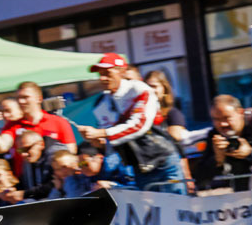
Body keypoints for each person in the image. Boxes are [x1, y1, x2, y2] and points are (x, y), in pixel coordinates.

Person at [77, 52, 187, 194]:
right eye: (100, 74)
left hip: (163, 161)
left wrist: (101, 133)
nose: (102, 78)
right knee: (151, 208)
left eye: (107, 73)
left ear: (122, 72)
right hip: (139, 167)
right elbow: (110, 141)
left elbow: (139, 125)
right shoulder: (101, 103)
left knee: (177, 204)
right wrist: (96, 141)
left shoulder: (139, 89)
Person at [145, 71, 189, 143]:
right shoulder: (141, 113)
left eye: (154, 86)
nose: (150, 90)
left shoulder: (173, 114)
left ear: (164, 89)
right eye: (147, 86)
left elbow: (174, 138)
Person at [12, 130, 57, 200]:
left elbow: (56, 184)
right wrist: (12, 190)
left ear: (41, 144)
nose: (23, 154)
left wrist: (25, 194)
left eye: (27, 148)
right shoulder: (29, 159)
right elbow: (24, 183)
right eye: (20, 151)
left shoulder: (56, 157)